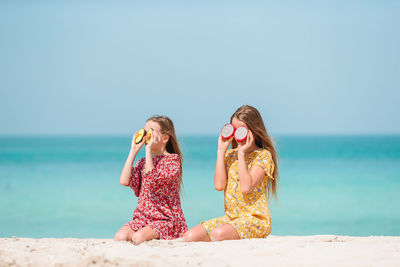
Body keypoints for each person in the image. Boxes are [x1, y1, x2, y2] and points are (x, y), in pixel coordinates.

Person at [184, 105, 279, 241]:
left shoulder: (263, 156)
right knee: (189, 236)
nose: (237, 135)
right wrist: (221, 151)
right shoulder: (229, 155)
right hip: (231, 218)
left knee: (218, 234)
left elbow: (246, 188)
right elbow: (219, 185)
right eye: (234, 130)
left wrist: (241, 153)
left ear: (253, 130)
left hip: (255, 219)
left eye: (242, 130)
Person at [114, 115, 188, 244]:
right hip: (142, 218)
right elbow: (124, 181)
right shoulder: (143, 162)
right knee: (120, 237)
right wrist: (133, 150)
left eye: (151, 132)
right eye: (145, 131)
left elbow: (151, 179)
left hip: (165, 219)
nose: (146, 135)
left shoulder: (172, 161)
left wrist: (148, 149)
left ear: (165, 138)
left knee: (138, 238)